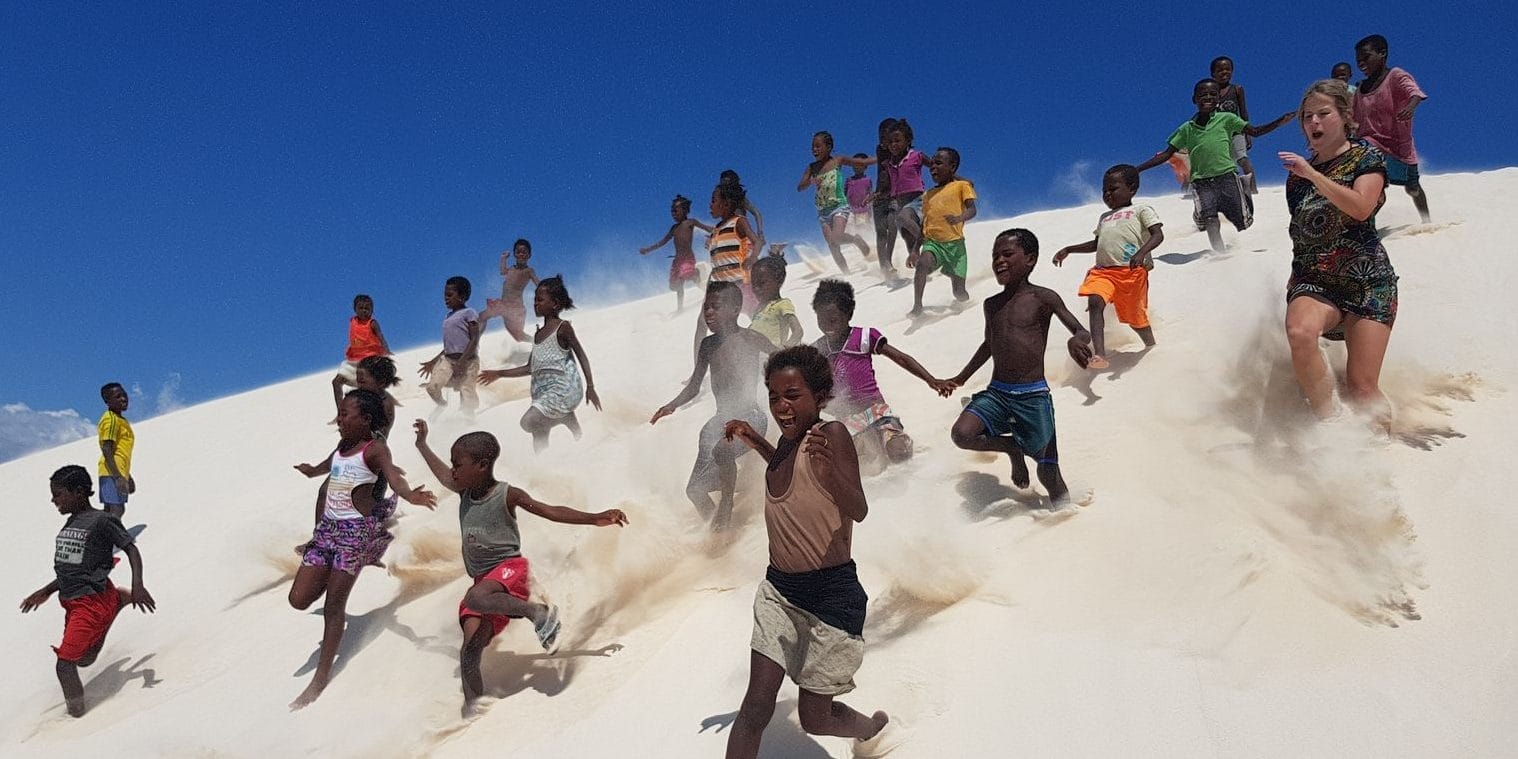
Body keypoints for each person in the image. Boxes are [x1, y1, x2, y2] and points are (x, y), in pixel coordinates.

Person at [720, 346, 900, 759]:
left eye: (792, 395)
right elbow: (789, 468)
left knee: (815, 718)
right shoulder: (787, 446)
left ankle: (871, 729)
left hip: (832, 597)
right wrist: (754, 439)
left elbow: (859, 509)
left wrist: (830, 473)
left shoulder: (829, 436)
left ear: (819, 397)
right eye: (773, 396)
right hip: (779, 593)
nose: (781, 406)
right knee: (756, 706)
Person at [411, 422, 627, 716]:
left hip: (510, 570)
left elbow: (550, 511)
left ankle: (538, 613)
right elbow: (442, 475)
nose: (453, 471)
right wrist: (422, 444)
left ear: (482, 465)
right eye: (453, 464)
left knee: (475, 597)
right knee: (469, 651)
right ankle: (473, 710)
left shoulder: (507, 494)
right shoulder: (464, 492)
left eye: (458, 464)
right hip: (486, 586)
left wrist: (595, 518)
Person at [288, 389, 437, 709]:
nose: (339, 419)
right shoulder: (342, 446)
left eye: (345, 414)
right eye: (340, 414)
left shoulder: (375, 449)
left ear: (366, 419)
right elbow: (328, 466)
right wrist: (311, 470)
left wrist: (410, 496)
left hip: (354, 534)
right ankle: (342, 571)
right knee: (298, 599)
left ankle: (320, 679)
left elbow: (394, 478)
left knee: (333, 607)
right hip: (327, 531)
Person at [1278, 79, 1400, 422]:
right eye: (1307, 117)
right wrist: (1294, 277)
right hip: (1315, 280)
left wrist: (1313, 175)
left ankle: (1382, 446)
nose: (1313, 122)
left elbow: (1361, 207)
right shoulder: (1295, 179)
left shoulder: (1366, 158)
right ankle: (1331, 424)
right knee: (1300, 332)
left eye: (1322, 113)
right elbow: (1302, 231)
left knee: (1362, 387)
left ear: (1345, 116)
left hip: (1368, 281)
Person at [942, 229, 1093, 507]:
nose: (999, 260)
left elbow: (1081, 331)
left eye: (1007, 254)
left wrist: (1076, 341)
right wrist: (960, 378)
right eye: (995, 256)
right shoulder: (992, 305)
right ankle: (1011, 447)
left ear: (1030, 259)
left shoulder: (1043, 298)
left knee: (1048, 472)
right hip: (998, 393)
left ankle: (1065, 514)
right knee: (962, 435)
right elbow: (989, 345)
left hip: (1032, 396)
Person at [19, 465, 156, 717]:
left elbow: (131, 549)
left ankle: (77, 718)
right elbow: (74, 568)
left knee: (65, 665)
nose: (53, 500)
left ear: (79, 492)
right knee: (84, 659)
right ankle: (116, 602)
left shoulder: (102, 520)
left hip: (90, 602)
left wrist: (138, 585)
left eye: (58, 494)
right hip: (72, 601)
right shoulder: (72, 521)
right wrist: (46, 590)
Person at [651, 282, 776, 530]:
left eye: (715, 307)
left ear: (735, 309)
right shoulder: (707, 345)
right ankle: (721, 532)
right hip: (720, 421)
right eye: (706, 307)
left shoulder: (750, 338)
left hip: (751, 417)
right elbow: (694, 386)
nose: (708, 312)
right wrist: (670, 406)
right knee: (694, 489)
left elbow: (785, 359)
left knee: (722, 451)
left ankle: (726, 506)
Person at [1135, 78, 1295, 252]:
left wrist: (1278, 122)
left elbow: (1254, 131)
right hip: (1201, 181)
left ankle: (1244, 188)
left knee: (1243, 221)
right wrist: (1138, 169)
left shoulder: (1227, 119)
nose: (1208, 97)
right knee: (1210, 220)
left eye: (1213, 94)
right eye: (1203, 94)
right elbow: (1167, 154)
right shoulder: (1187, 128)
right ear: (1194, 99)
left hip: (1227, 176)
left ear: (1219, 98)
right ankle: (1220, 252)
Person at [811, 279, 948, 473]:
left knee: (898, 452)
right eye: (821, 320)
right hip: (847, 419)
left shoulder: (863, 337)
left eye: (833, 320)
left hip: (876, 410)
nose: (827, 326)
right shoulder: (818, 350)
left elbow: (901, 358)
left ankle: (900, 444)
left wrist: (931, 380)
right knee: (862, 466)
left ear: (848, 314)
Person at [1052, 164, 1165, 369]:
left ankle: (1151, 346)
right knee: (1095, 301)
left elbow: (1158, 235)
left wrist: (1141, 253)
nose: (1107, 194)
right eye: (1104, 190)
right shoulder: (1104, 218)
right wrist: (1069, 249)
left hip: (1132, 273)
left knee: (1135, 318)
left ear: (1132, 188)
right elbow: (1096, 244)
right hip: (1104, 272)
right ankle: (1100, 355)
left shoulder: (1141, 210)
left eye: (1113, 189)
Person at [478, 276, 601, 452]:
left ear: (555, 304)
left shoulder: (563, 327)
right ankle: (543, 460)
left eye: (540, 300)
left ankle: (566, 417)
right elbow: (530, 368)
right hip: (542, 394)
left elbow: (581, 355)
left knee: (528, 421)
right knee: (538, 431)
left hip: (564, 389)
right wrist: (499, 373)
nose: (535, 303)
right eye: (535, 299)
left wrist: (590, 386)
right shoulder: (537, 335)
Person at [1353, 34, 1430, 223]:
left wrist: (1411, 107)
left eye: (1366, 57)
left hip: (1398, 149)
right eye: (1358, 60)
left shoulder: (1395, 75)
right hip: (1369, 144)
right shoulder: (1360, 88)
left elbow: (1414, 92)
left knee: (1412, 188)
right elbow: (1353, 116)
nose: (1361, 63)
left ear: (1382, 53)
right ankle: (1364, 224)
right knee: (1369, 181)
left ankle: (1427, 221)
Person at [694, 180, 761, 358]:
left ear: (726, 204)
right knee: (702, 323)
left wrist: (752, 258)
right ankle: (698, 367)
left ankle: (772, 356)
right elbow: (717, 262)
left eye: (713, 200)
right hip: (720, 291)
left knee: (759, 321)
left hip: (740, 287)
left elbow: (757, 242)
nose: (710, 204)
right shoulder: (716, 229)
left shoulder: (739, 222)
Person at [910, 147, 977, 315]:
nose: (933, 167)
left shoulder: (962, 186)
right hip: (933, 243)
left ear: (952, 167)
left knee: (959, 292)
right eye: (932, 164)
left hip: (955, 247)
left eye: (938, 163)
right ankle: (917, 306)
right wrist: (915, 250)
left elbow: (972, 210)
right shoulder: (928, 195)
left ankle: (968, 308)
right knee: (922, 263)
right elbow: (924, 223)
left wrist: (959, 218)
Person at [796, 131, 871, 273]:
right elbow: (800, 187)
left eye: (818, 146)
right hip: (822, 212)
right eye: (813, 147)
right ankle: (847, 273)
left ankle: (856, 240)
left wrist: (880, 157)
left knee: (837, 237)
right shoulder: (812, 167)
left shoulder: (836, 161)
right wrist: (811, 181)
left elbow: (860, 162)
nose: (814, 149)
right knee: (832, 244)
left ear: (829, 147)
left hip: (839, 206)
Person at [419, 276, 482, 419]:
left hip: (469, 361)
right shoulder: (448, 316)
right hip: (448, 360)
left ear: (462, 296)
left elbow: (474, 339)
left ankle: (470, 419)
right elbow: (449, 346)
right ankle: (442, 404)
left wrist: (462, 362)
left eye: (449, 295)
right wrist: (433, 361)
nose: (446, 298)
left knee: (467, 391)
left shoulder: (469, 313)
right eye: (445, 295)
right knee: (432, 387)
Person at [640, 195, 714, 312]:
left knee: (686, 274)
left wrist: (717, 231)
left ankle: (697, 274)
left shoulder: (690, 222)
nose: (673, 214)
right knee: (675, 285)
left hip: (687, 257)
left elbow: (707, 228)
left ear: (685, 210)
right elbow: (663, 241)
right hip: (677, 261)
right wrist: (648, 249)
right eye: (672, 211)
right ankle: (680, 308)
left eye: (676, 210)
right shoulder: (674, 228)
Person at [331, 294, 391, 417]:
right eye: (361, 308)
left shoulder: (372, 323)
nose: (364, 311)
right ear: (355, 309)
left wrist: (386, 350)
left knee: (367, 390)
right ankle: (341, 413)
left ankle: (379, 409)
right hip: (353, 360)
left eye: (367, 308)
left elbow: (381, 336)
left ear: (372, 310)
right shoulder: (352, 321)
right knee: (336, 382)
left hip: (369, 361)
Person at [1210, 56, 1257, 194]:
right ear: (1213, 74)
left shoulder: (1237, 89)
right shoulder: (1210, 92)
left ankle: (1252, 189)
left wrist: (1248, 133)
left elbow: (1243, 112)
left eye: (1227, 69)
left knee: (1242, 158)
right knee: (1220, 163)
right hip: (1218, 135)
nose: (1224, 72)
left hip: (1236, 132)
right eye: (1220, 70)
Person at [482, 240, 540, 343]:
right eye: (518, 252)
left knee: (518, 336)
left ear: (529, 255)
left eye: (524, 252)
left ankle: (536, 342)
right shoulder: (512, 268)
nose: (521, 254)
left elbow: (538, 284)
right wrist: (503, 258)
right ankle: (471, 341)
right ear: (514, 254)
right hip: (503, 305)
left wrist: (549, 289)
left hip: (515, 308)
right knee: (482, 317)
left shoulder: (529, 271)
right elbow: (502, 271)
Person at [95, 383, 135, 519]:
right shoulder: (111, 420)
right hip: (110, 472)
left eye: (124, 395)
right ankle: (111, 533)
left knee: (109, 510)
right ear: (107, 401)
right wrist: (118, 477)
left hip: (116, 471)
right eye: (118, 396)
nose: (123, 398)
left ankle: (100, 532)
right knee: (117, 509)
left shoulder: (121, 420)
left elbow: (120, 450)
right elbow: (107, 449)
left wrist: (127, 476)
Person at [870, 118, 903, 280]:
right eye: (880, 138)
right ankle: (883, 266)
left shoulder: (901, 153)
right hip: (879, 197)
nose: (883, 141)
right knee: (881, 233)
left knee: (892, 223)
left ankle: (888, 260)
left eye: (887, 138)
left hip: (894, 196)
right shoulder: (880, 150)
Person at [748, 253, 804, 347]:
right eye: (753, 284)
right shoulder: (759, 307)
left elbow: (798, 332)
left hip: (772, 353)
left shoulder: (783, 304)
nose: (756, 288)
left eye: (762, 283)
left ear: (779, 281)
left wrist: (785, 349)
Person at [353, 355, 401, 438]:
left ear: (381, 382)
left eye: (362, 382)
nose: (358, 386)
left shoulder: (384, 407)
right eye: (357, 381)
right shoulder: (368, 396)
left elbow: (378, 438)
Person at [720, 169, 767, 254]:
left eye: (726, 182)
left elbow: (757, 214)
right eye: (722, 182)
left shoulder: (740, 199)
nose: (724, 185)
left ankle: (775, 253)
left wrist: (760, 232)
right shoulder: (721, 201)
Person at [844, 155, 873, 242]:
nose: (857, 166)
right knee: (849, 229)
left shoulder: (867, 180)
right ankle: (852, 245)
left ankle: (868, 242)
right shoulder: (849, 180)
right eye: (855, 164)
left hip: (863, 210)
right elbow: (845, 194)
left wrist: (870, 210)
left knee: (863, 227)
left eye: (860, 164)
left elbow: (870, 194)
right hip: (850, 210)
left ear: (865, 166)